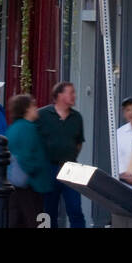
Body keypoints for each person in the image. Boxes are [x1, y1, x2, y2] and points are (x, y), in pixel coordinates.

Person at [36, 81, 86, 229]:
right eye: (71, 92)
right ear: (59, 95)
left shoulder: (77, 117)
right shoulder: (42, 114)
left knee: (75, 209)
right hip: (48, 168)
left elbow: (79, 142)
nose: (74, 96)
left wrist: (69, 156)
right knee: (49, 211)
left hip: (71, 168)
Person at [7, 94, 53, 228]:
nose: (36, 109)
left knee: (17, 221)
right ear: (26, 109)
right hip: (31, 184)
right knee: (35, 221)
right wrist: (37, 169)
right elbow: (27, 157)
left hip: (17, 184)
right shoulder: (28, 128)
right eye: (33, 106)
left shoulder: (13, 127)